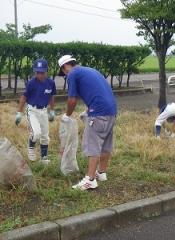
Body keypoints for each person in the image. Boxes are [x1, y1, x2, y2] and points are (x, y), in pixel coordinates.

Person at [58, 55, 117, 190]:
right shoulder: (90, 70)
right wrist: (88, 110)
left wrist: (67, 115)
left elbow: (72, 100)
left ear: (65, 67)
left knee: (92, 144)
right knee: (105, 143)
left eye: (63, 72)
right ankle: (101, 173)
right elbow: (97, 92)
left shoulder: (72, 74)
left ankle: (89, 179)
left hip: (99, 113)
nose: (65, 74)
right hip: (111, 111)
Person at [15, 59, 56, 164]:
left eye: (42, 72)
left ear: (46, 71)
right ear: (35, 72)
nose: (40, 75)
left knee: (45, 136)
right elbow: (24, 97)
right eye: (37, 72)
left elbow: (51, 97)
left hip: (43, 111)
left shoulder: (51, 83)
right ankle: (31, 148)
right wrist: (19, 113)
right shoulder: (31, 83)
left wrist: (52, 111)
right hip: (32, 110)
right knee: (36, 133)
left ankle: (44, 157)